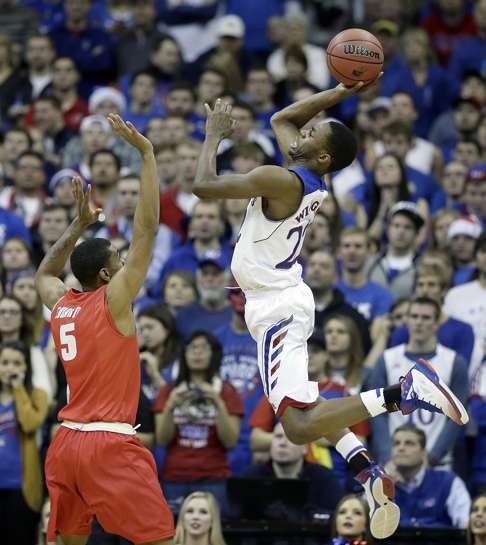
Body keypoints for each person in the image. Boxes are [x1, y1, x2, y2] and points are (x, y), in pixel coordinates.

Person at [192, 86, 469, 540]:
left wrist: (212, 137)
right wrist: (338, 92)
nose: (303, 130)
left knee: (298, 427)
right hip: (281, 300)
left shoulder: (282, 179)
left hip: (276, 306)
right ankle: (366, 471)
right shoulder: (306, 175)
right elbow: (282, 119)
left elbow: (203, 187)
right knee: (309, 405)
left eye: (314, 132)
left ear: (321, 156)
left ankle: (404, 391)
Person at [34, 115, 175, 544]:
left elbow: (44, 272)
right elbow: (147, 229)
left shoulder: (61, 305)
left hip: (65, 444)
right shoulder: (113, 300)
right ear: (103, 274)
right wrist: (147, 154)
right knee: (162, 539)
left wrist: (77, 226)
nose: (124, 263)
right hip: (107, 443)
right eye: (117, 260)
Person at [367, 297, 469, 468]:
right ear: (406, 320)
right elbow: (377, 413)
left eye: (426, 318)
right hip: (394, 462)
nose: (419, 322)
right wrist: (387, 456)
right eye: (414, 316)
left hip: (437, 464)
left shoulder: (454, 362)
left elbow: (457, 416)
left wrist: (432, 457)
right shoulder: (386, 360)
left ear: (437, 324)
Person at [153, 331, 243, 515]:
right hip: (175, 478)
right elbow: (162, 439)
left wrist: (217, 402)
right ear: (184, 354)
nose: (197, 353)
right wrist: (170, 406)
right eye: (192, 347)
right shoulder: (169, 391)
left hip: (214, 478)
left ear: (214, 354)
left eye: (203, 348)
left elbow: (230, 441)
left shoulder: (227, 392)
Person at [241, 422, 344, 519]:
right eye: (278, 437)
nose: (282, 443)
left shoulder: (323, 479)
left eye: (290, 438)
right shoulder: (251, 477)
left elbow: (337, 517)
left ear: (305, 448)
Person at [0, 340, 49, 545]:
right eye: (5, 362)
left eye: (17, 363)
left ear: (25, 367)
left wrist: (19, 390)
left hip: (22, 489)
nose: (10, 368)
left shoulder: (37, 395)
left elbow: (29, 424)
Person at [386, 424, 470, 528]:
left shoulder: (448, 482)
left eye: (409, 443)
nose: (401, 448)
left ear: (423, 453)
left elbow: (466, 525)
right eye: (396, 443)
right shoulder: (379, 484)